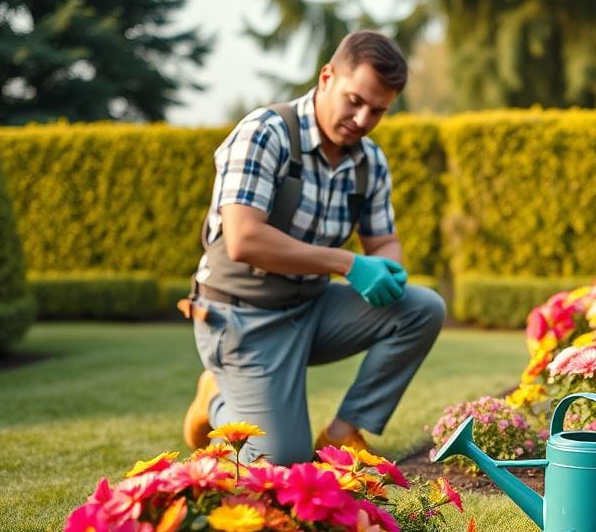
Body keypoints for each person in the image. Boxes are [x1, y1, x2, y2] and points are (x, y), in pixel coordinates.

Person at [180, 30, 446, 465]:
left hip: (310, 308)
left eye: (377, 110)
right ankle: (214, 400)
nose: (362, 119)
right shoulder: (266, 133)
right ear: (326, 78)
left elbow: (383, 239)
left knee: (422, 308)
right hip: (242, 316)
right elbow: (243, 239)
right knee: (279, 463)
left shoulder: (370, 161)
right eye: (354, 100)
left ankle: (342, 433)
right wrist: (348, 263)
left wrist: (389, 269)